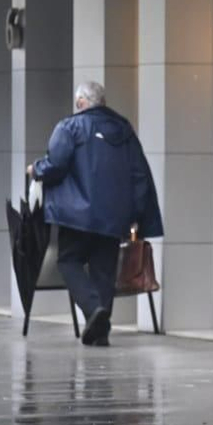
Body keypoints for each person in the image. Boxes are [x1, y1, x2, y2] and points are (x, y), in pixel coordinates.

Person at [29, 82, 163, 346]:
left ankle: (94, 311)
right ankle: (100, 334)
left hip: (75, 215)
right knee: (103, 269)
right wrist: (135, 212)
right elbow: (139, 174)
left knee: (69, 261)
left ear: (80, 103)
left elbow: (56, 164)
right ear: (102, 102)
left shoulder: (69, 127)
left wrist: (35, 169)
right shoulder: (124, 129)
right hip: (114, 215)